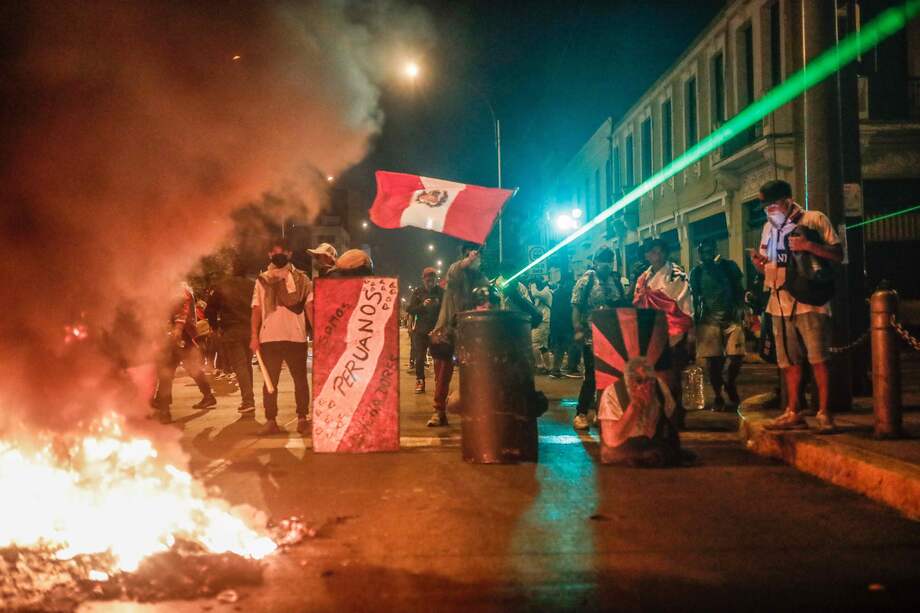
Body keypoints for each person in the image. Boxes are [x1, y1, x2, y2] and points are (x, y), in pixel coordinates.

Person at [749, 179, 842, 433]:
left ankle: (824, 411)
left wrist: (808, 246)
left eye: (774, 204)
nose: (771, 210)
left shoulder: (814, 220)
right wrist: (760, 264)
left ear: (788, 200)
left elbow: (838, 255)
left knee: (818, 358)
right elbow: (768, 259)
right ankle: (793, 410)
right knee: (789, 361)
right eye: (766, 206)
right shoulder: (768, 228)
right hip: (779, 300)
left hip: (810, 301)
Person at [250, 238, 311, 435]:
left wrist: (318, 333)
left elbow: (310, 307)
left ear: (289, 254)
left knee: (300, 380)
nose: (277, 255)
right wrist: (254, 336)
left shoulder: (303, 279)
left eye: (281, 251)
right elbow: (257, 310)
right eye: (273, 252)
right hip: (269, 338)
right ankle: (270, 420)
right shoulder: (262, 280)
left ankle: (303, 418)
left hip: (297, 336)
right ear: (268, 255)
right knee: (270, 382)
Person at [633, 238, 693, 428]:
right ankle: (658, 415)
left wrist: (690, 332)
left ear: (665, 253)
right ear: (646, 255)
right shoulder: (643, 277)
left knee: (672, 377)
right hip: (650, 334)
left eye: (659, 252)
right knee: (653, 377)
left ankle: (675, 416)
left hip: (673, 332)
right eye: (651, 252)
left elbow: (684, 306)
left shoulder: (676, 275)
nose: (655, 256)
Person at [428, 242, 489, 427]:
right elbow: (456, 270)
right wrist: (468, 260)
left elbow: (486, 300)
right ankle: (439, 411)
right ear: (466, 254)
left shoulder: (480, 278)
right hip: (448, 330)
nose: (478, 258)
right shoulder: (455, 270)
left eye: (479, 255)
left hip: (471, 332)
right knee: (443, 375)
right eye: (474, 254)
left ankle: (475, 410)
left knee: (474, 373)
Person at [571, 247, 625, 430]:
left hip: (612, 336)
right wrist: (577, 329)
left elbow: (622, 304)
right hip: (590, 336)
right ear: (595, 262)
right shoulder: (587, 280)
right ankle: (581, 412)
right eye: (603, 260)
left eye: (610, 260)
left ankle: (603, 411)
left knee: (610, 376)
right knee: (591, 376)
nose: (607, 264)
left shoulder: (615, 280)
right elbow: (576, 306)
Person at [689, 239, 746, 412]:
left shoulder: (729, 267)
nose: (707, 255)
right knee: (713, 363)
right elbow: (694, 298)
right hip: (708, 321)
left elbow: (739, 289)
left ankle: (729, 382)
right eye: (703, 252)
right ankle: (718, 397)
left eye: (709, 250)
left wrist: (743, 310)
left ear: (715, 250)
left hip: (732, 319)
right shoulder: (696, 273)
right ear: (699, 254)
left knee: (736, 357)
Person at [597, 357, 683, 467]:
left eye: (650, 380)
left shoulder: (659, 388)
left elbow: (672, 419)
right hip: (624, 448)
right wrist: (635, 406)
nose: (646, 386)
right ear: (629, 381)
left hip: (653, 444)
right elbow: (612, 440)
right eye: (639, 381)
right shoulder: (613, 392)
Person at [150, 283, 216, 422]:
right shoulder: (175, 288)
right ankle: (208, 396)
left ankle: (164, 409)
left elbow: (182, 311)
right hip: (179, 336)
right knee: (188, 368)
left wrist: (178, 329)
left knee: (167, 370)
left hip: (181, 336)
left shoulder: (178, 289)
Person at [206, 256, 256, 414]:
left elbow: (210, 310)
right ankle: (249, 399)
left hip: (232, 330)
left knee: (240, 366)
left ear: (232, 267)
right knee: (247, 365)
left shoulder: (222, 286)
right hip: (250, 329)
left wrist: (215, 327)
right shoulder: (253, 285)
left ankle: (248, 400)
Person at [407, 267, 443, 394]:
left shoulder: (441, 292)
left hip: (436, 331)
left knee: (439, 359)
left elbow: (445, 310)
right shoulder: (418, 292)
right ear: (423, 279)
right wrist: (422, 306)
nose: (430, 281)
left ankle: (440, 384)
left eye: (432, 278)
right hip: (421, 332)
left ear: (435, 279)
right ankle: (420, 381)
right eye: (427, 278)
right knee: (420, 358)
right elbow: (410, 309)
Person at [549, 269, 578, 379]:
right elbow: (565, 310)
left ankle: (557, 369)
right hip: (565, 325)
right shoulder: (567, 294)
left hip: (559, 325)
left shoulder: (558, 293)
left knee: (561, 348)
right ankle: (568, 368)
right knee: (569, 347)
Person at [529, 275, 553, 375]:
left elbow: (535, 293)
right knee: (543, 346)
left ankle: (541, 366)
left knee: (535, 344)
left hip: (543, 321)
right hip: (542, 321)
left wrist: (532, 285)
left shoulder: (545, 292)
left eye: (531, 284)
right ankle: (547, 367)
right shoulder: (543, 293)